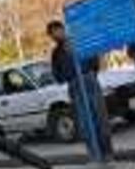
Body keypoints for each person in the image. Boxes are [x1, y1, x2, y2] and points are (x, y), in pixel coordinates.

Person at [46, 20, 113, 157]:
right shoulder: (56, 53)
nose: (56, 35)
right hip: (74, 85)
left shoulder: (80, 42)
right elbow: (57, 75)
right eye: (52, 34)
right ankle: (94, 154)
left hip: (89, 81)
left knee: (100, 116)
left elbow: (94, 61)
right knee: (85, 121)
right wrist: (69, 76)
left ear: (63, 29)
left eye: (57, 31)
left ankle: (108, 152)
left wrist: (90, 75)